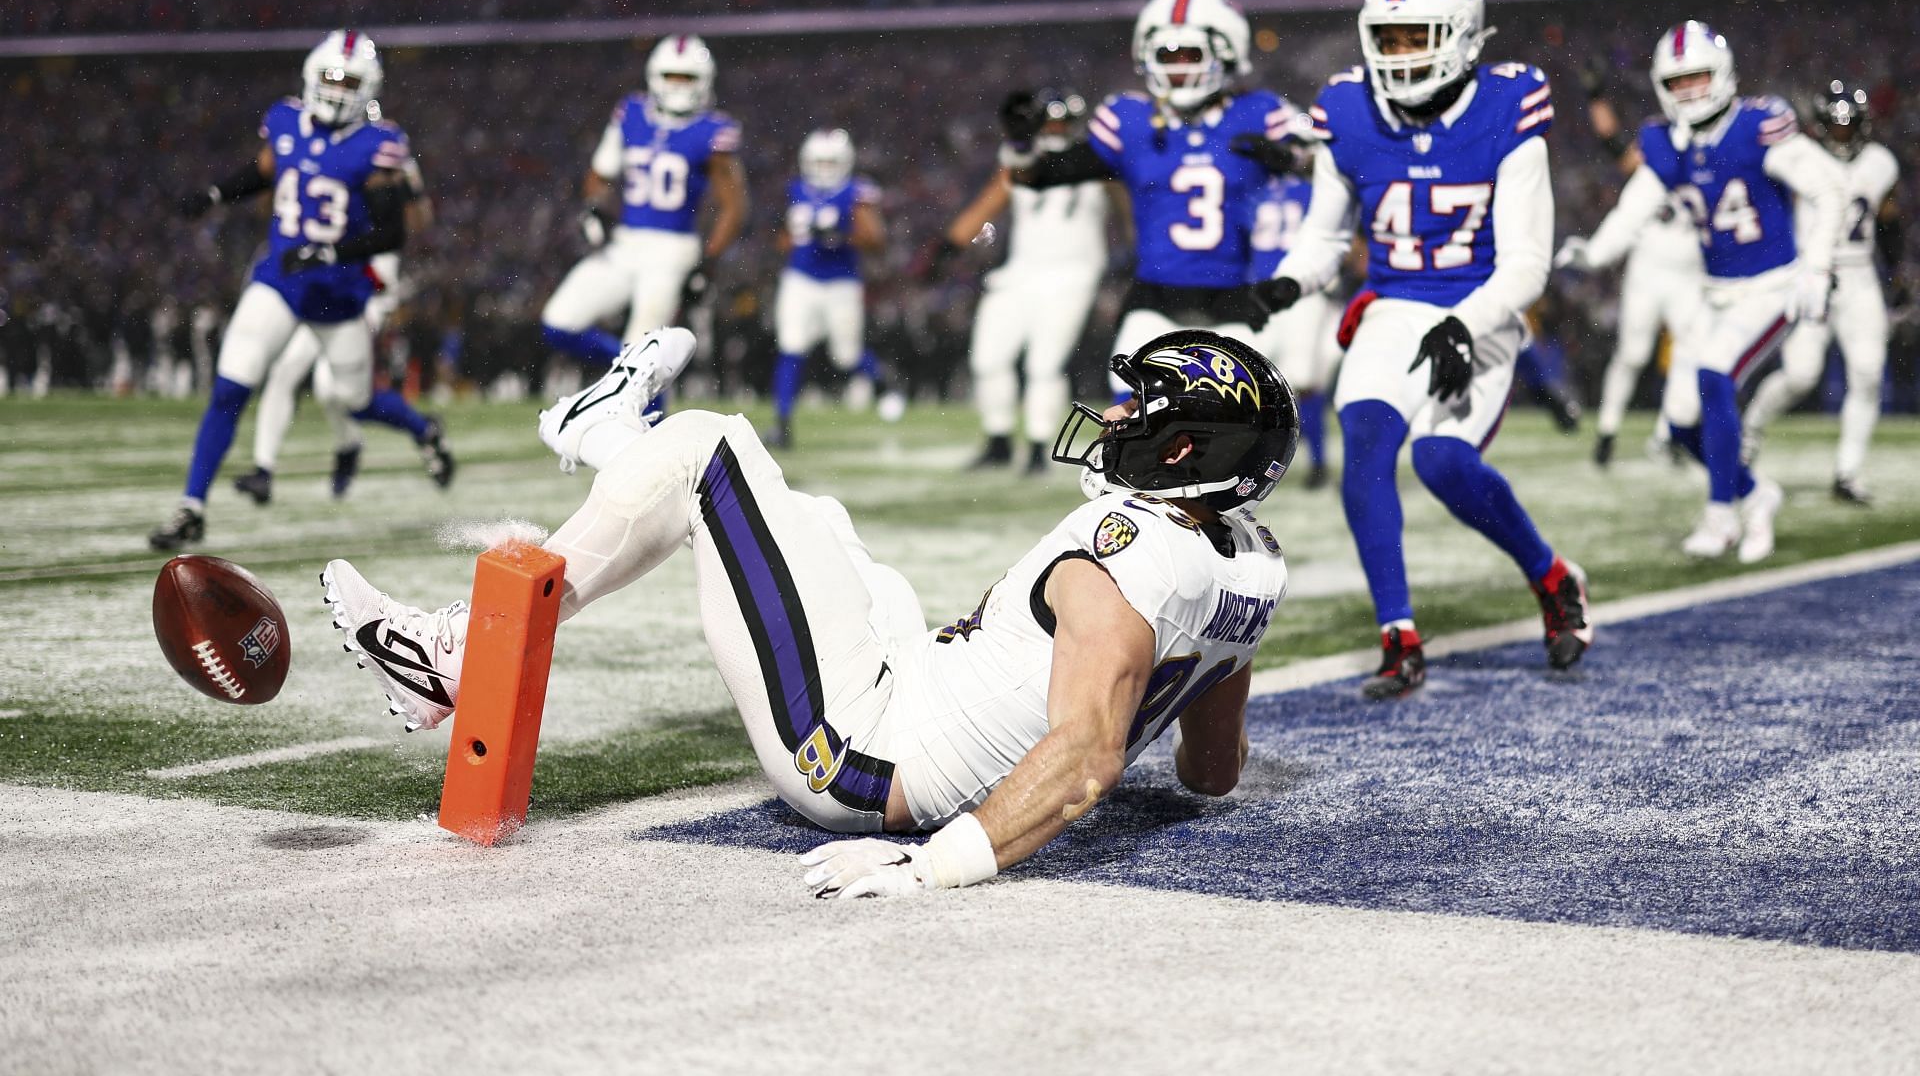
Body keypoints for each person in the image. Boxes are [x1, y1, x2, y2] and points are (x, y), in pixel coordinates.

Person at [321, 327, 1297, 895]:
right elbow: (1212, 770)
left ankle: (454, 655)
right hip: (919, 693)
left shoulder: (1116, 560)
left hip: (861, 751)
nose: (1119, 415)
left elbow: (1086, 757)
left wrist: (936, 867)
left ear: (1186, 451)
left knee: (710, 448)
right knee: (807, 517)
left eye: (1144, 410)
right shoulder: (1249, 560)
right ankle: (617, 437)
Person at [1250, 0, 1592, 697]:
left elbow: (1528, 261)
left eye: (1419, 36)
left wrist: (1468, 322)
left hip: (1484, 302)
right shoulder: (1345, 109)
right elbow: (1325, 236)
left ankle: (1553, 577)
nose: (1401, 54)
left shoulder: (1508, 103)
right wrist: (1283, 285)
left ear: (1466, 36)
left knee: (1441, 462)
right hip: (1398, 302)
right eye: (1391, 36)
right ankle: (1398, 635)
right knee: (1364, 442)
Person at [1557, 22, 1847, 562]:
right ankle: (1755, 494)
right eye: (1678, 81)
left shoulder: (1756, 126)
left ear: (1723, 75)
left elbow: (1829, 187)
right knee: (1681, 425)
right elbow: (1633, 209)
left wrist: (1817, 265)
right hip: (1714, 292)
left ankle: (1720, 517)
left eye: (1698, 78)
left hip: (1771, 286)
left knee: (1714, 372)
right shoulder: (1665, 143)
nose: (1689, 91)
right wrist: (1595, 252)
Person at [150, 30, 415, 550]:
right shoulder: (286, 119)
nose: (338, 90)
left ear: (369, 88)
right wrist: (214, 194)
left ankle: (423, 429)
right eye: (332, 78)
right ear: (313, 75)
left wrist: (333, 252)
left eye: (350, 81)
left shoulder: (379, 145)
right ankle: (191, 507)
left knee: (355, 400)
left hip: (340, 296)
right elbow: (264, 170)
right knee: (231, 386)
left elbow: (393, 231)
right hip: (281, 281)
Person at [1000, 0, 1309, 395]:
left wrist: (1293, 159)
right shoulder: (1130, 118)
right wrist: (1021, 145)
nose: (1178, 67)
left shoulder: (1258, 112)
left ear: (1227, 52)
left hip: (1235, 299)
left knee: (1240, 416)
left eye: (1191, 54)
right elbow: (1040, 175)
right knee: (1130, 400)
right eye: (1167, 55)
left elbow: (1328, 162)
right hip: (1157, 297)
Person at [232, 153, 453, 503]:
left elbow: (416, 222)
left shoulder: (383, 158)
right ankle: (265, 469)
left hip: (365, 290)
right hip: (323, 284)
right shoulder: (328, 153)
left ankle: (405, 432)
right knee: (288, 370)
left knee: (331, 390)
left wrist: (410, 186)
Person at [539, 35, 747, 371]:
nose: (678, 84)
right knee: (558, 323)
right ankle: (624, 373)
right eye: (671, 76)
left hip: (673, 249)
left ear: (704, 81)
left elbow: (734, 206)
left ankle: (643, 399)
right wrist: (595, 209)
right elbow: (599, 176)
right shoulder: (631, 113)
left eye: (687, 77)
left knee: (644, 350)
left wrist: (707, 264)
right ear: (655, 76)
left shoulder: (714, 130)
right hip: (624, 243)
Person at [1740, 80, 1903, 503]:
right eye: (1834, 127)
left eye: (1848, 128)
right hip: (1811, 274)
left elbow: (1888, 219)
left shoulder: (1881, 163)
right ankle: (1749, 433)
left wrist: (1897, 276)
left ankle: (1847, 473)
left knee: (1867, 375)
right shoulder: (1798, 156)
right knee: (1800, 375)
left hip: (1859, 276)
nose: (1840, 135)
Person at [943, 89, 1116, 473]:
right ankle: (999, 439)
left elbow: (1131, 208)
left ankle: (1038, 446)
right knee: (988, 358)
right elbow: (987, 204)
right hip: (1020, 272)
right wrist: (947, 246)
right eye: (1047, 124)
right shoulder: (1021, 164)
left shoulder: (1101, 165)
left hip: (1072, 273)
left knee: (1044, 365)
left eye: (1060, 124)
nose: (1053, 131)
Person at [1576, 53, 1703, 468]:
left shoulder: (1717, 146)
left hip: (1691, 271)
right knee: (1632, 353)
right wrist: (1596, 96)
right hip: (1649, 267)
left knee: (1690, 353)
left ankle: (1671, 433)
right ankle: (1608, 431)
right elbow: (1614, 145)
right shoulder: (1656, 142)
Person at [766, 129, 901, 449]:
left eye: (831, 161)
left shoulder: (857, 192)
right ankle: (782, 424)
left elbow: (876, 240)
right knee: (791, 345)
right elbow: (781, 240)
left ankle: (881, 382)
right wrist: (803, 236)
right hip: (800, 279)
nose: (825, 168)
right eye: (819, 161)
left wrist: (840, 234)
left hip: (842, 282)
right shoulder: (795, 190)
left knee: (846, 355)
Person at [1245, 173, 1340, 489]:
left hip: (1264, 291)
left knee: (1281, 382)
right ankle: (1308, 462)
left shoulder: (1251, 187)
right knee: (1298, 383)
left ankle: (1310, 463)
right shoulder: (1317, 189)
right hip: (1295, 292)